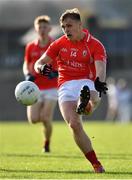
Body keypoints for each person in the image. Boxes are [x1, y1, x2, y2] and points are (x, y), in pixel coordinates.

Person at [34, 8, 108, 173]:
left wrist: (100, 81)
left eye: (69, 25)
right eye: (63, 27)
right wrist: (41, 68)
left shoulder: (95, 45)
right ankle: (96, 164)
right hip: (66, 85)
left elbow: (101, 68)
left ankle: (87, 104)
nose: (66, 30)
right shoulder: (59, 43)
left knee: (94, 93)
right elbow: (39, 62)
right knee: (74, 124)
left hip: (87, 81)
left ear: (80, 25)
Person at [23, 15, 58, 153]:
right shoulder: (30, 46)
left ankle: (47, 143)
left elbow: (62, 64)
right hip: (35, 87)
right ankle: (46, 138)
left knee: (45, 118)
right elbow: (26, 63)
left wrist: (55, 73)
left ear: (49, 28)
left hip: (51, 87)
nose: (42, 29)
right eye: (40, 27)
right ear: (36, 29)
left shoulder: (54, 45)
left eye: (45, 27)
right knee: (33, 119)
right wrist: (27, 74)